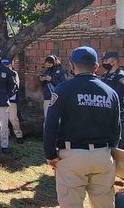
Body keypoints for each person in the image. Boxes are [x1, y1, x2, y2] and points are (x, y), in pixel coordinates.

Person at [44, 46, 121, 208]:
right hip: (103, 156)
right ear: (96, 67)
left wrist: (51, 155)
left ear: (72, 65)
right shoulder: (110, 92)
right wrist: (110, 151)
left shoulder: (63, 89)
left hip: (72, 157)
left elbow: (50, 124)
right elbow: (116, 128)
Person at [100, 51, 124, 147]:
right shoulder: (104, 75)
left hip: (119, 113)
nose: (104, 63)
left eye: (106, 60)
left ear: (114, 61)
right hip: (105, 112)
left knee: (119, 140)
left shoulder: (121, 75)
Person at [1, 58, 24, 143]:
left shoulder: (14, 73)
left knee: (13, 118)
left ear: (11, 64)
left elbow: (16, 86)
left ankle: (19, 135)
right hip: (1, 99)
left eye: (7, 64)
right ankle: (6, 135)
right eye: (3, 64)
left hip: (11, 100)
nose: (5, 66)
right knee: (3, 119)